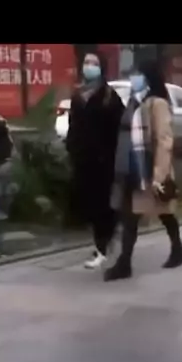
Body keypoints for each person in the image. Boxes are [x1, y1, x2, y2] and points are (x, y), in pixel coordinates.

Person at [105, 60, 182, 281]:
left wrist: (160, 175)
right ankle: (127, 262)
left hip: (148, 169)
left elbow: (164, 139)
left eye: (138, 74)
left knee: (162, 211)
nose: (134, 78)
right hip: (133, 167)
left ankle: (174, 250)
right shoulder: (135, 101)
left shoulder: (157, 103)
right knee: (132, 215)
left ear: (148, 78)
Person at [66, 51, 124, 270]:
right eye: (86, 62)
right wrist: (72, 148)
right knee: (90, 205)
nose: (89, 66)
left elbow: (118, 130)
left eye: (94, 63)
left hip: (104, 162)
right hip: (83, 161)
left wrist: (109, 155)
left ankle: (102, 247)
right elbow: (73, 126)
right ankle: (104, 242)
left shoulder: (109, 97)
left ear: (102, 68)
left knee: (103, 205)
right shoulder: (78, 95)